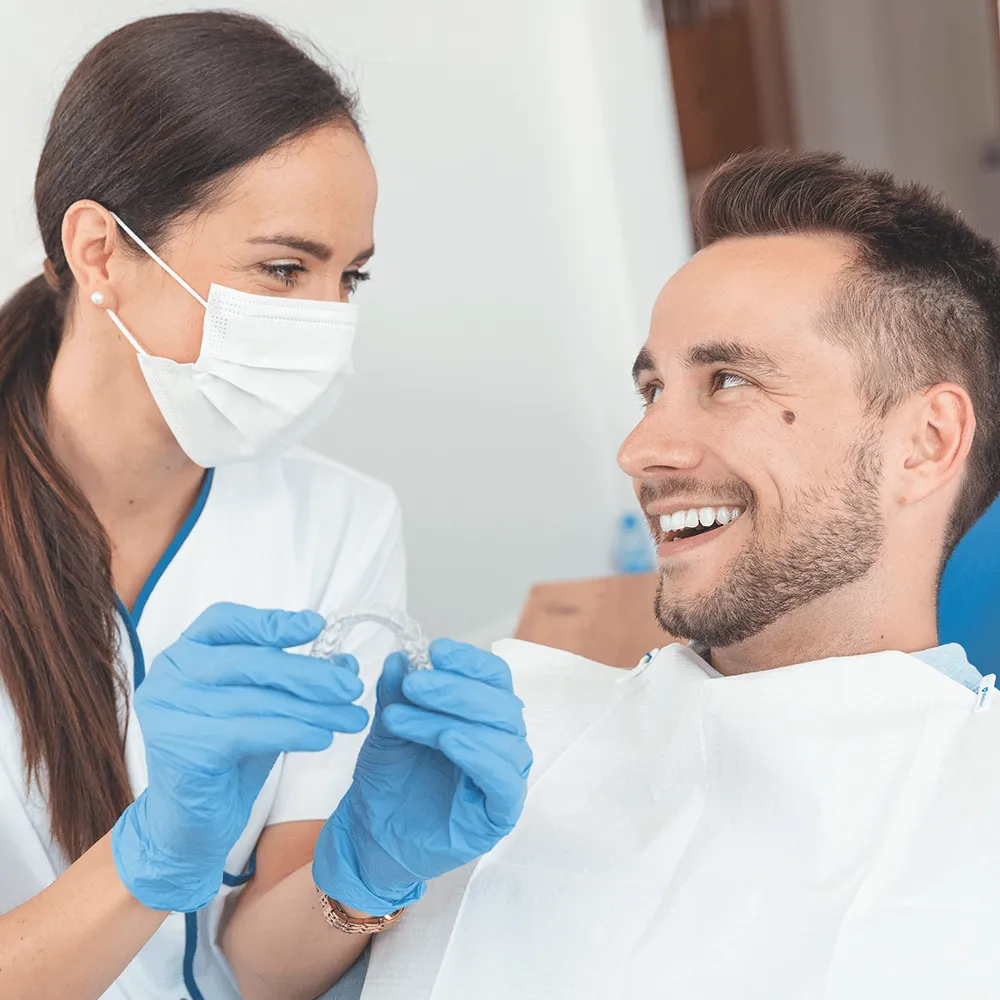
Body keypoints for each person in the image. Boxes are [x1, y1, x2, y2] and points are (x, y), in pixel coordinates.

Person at [357, 150, 1000, 999]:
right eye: (653, 389)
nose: (641, 451)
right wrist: (351, 891)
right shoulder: (513, 732)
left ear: (924, 443)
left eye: (727, 381)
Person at [0, 13, 529, 1000]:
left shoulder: (339, 524)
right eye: (284, 268)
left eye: (349, 277)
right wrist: (145, 857)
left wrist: (364, 871)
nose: (326, 322)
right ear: (101, 251)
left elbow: (252, 970)